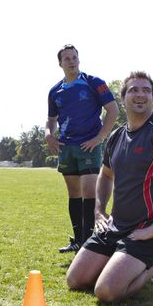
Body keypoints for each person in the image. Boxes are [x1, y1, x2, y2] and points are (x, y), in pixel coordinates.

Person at [66, 71, 153, 302]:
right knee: (75, 280)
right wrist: (99, 211)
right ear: (123, 97)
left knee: (106, 291)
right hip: (115, 227)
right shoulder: (116, 137)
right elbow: (105, 175)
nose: (140, 95)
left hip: (148, 231)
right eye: (134, 90)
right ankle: (120, 261)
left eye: (146, 90)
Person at [46, 45, 119, 253]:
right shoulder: (55, 91)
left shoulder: (93, 83)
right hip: (66, 147)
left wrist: (99, 138)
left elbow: (113, 111)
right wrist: (48, 135)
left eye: (74, 57)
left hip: (89, 145)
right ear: (60, 63)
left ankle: (89, 242)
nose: (71, 61)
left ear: (79, 59)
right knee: (74, 194)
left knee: (89, 192)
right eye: (67, 59)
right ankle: (78, 239)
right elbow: (51, 120)